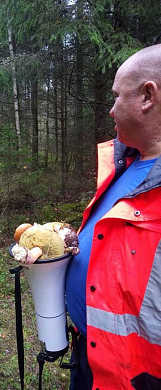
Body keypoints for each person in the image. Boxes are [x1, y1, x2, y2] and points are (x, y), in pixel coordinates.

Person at [65, 44, 161, 390]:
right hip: (89, 356)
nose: (110, 109)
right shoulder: (125, 164)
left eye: (118, 96)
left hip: (131, 378)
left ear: (147, 97)